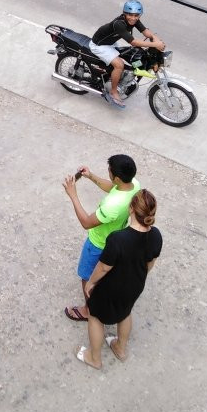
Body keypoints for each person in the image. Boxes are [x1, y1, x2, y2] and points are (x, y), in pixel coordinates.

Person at [75, 189, 162, 369]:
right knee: (125, 312)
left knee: (95, 316)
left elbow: (104, 267)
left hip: (112, 289)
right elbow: (150, 264)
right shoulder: (156, 235)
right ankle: (120, 348)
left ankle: (94, 358)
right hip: (135, 285)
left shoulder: (118, 239)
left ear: (131, 209)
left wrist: (90, 283)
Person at [62, 154, 140, 322]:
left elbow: (86, 222)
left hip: (98, 243)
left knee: (87, 277)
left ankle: (87, 311)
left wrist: (73, 195)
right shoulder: (134, 185)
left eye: (109, 171)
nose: (108, 173)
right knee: (105, 275)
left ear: (118, 177)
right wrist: (91, 176)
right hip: (115, 239)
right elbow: (113, 186)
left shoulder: (112, 206)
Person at [88, 0, 164, 107]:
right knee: (119, 65)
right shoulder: (119, 24)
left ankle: (119, 78)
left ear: (139, 15)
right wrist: (155, 44)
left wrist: (156, 39)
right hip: (99, 45)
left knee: (130, 58)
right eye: (130, 15)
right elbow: (133, 41)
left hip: (110, 43)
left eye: (136, 15)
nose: (133, 18)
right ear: (124, 13)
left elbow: (146, 32)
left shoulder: (135, 20)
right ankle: (114, 92)